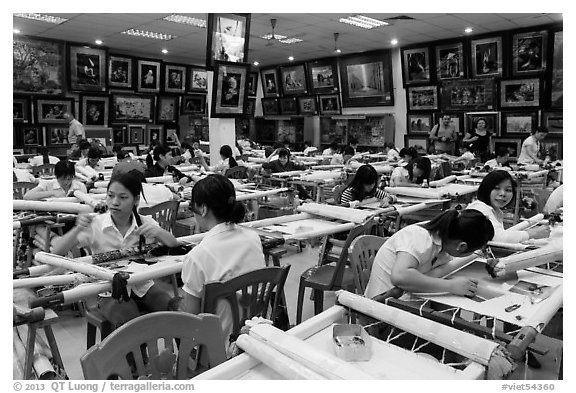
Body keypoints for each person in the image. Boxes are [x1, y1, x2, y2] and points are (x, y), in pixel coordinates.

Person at [52, 172, 179, 328]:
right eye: (110, 196)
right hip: (108, 290)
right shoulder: (96, 224)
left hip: (143, 285)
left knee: (173, 309)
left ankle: (183, 351)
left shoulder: (145, 223)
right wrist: (77, 229)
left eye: (123, 197)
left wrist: (158, 232)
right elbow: (57, 251)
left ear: (136, 200)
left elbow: (173, 244)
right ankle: (138, 352)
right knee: (129, 321)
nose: (115, 202)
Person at [178, 174, 266, 356]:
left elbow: (191, 321)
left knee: (174, 306)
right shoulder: (253, 238)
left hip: (219, 347)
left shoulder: (197, 256)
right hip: (255, 331)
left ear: (202, 209)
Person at [364, 209, 495, 299]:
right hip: (379, 306)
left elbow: (432, 273)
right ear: (461, 246)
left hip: (401, 297)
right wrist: (451, 286)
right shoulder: (419, 236)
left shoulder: (443, 240)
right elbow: (400, 276)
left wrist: (476, 255)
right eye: (472, 250)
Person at [466, 170, 550, 243]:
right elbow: (498, 238)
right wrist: (532, 233)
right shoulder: (478, 208)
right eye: (496, 188)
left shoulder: (495, 211)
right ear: (486, 189)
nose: (503, 194)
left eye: (508, 190)